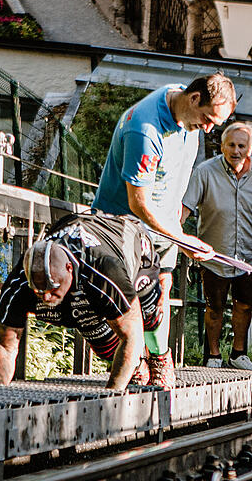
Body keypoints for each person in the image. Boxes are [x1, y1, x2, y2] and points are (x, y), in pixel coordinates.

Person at [91, 72, 237, 387]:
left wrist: (177, 228)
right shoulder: (145, 129)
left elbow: (175, 181)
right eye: (208, 118)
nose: (209, 129)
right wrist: (180, 238)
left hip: (165, 226)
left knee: (162, 290)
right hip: (121, 228)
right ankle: (134, 360)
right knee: (123, 299)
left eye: (216, 123)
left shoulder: (187, 115)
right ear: (195, 98)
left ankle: (159, 359)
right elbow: (138, 203)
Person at [0, 213, 167, 390]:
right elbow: (4, 345)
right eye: (39, 292)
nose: (47, 297)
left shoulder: (103, 269)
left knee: (147, 316)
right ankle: (136, 367)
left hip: (133, 247)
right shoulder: (18, 284)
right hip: (81, 274)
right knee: (98, 337)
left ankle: (160, 358)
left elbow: (132, 335)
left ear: (69, 269)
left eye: (53, 288)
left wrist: (111, 398)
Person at [181, 122, 252, 370]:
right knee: (215, 307)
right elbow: (186, 207)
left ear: (250, 148)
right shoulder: (205, 171)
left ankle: (238, 353)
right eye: (231, 145)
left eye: (241, 146)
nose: (236, 150)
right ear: (222, 145)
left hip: (248, 253)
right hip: (214, 252)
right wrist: (178, 237)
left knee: (244, 305)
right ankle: (213, 355)